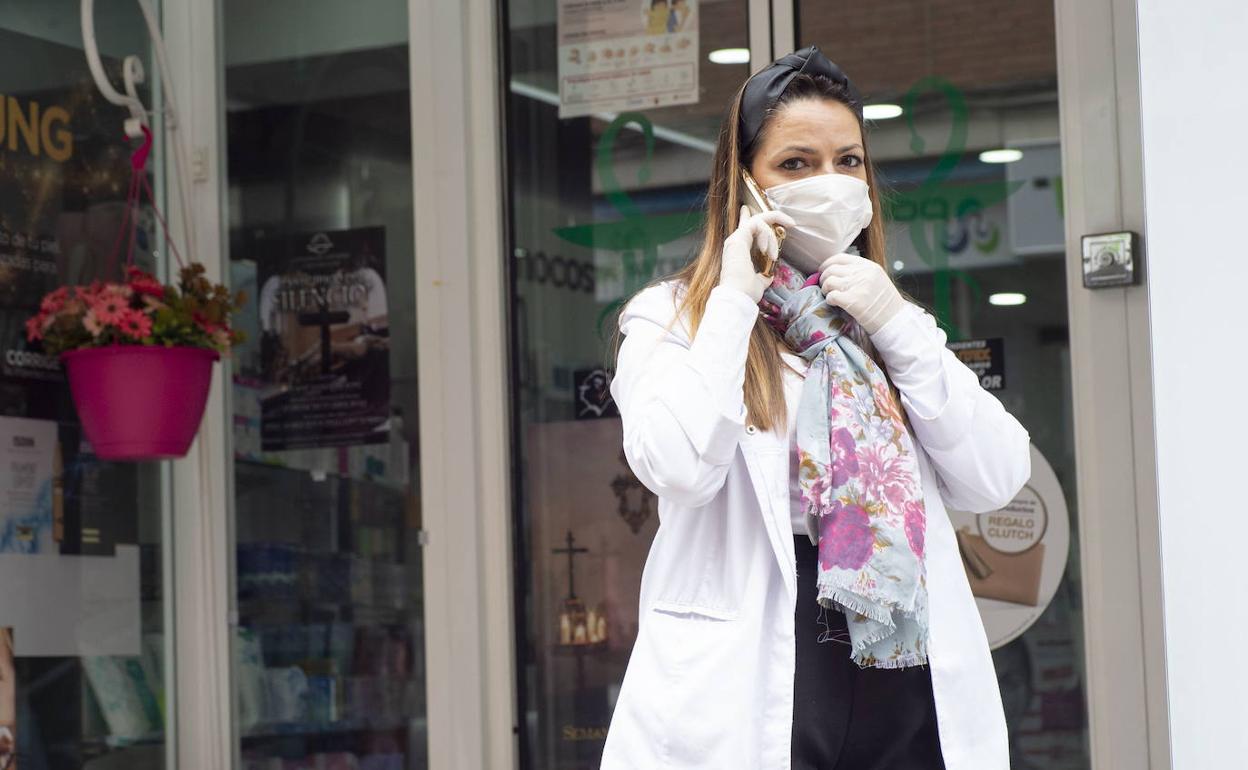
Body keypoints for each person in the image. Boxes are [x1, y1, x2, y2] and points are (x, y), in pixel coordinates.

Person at [600, 46, 1030, 770]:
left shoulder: (882, 321)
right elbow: (674, 466)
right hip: (758, 666)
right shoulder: (674, 319)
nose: (829, 184)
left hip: (899, 654)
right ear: (746, 185)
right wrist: (735, 299)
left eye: (848, 161)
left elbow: (997, 474)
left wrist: (896, 324)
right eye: (795, 164)